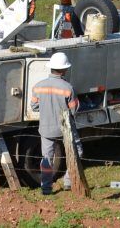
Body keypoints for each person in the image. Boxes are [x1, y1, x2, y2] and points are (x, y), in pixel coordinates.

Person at [29, 52, 82, 194]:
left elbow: (34, 106)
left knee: (47, 159)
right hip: (65, 129)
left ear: (51, 68)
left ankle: (46, 188)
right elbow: (74, 109)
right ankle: (68, 182)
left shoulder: (38, 86)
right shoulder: (68, 88)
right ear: (64, 69)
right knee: (77, 152)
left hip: (46, 129)